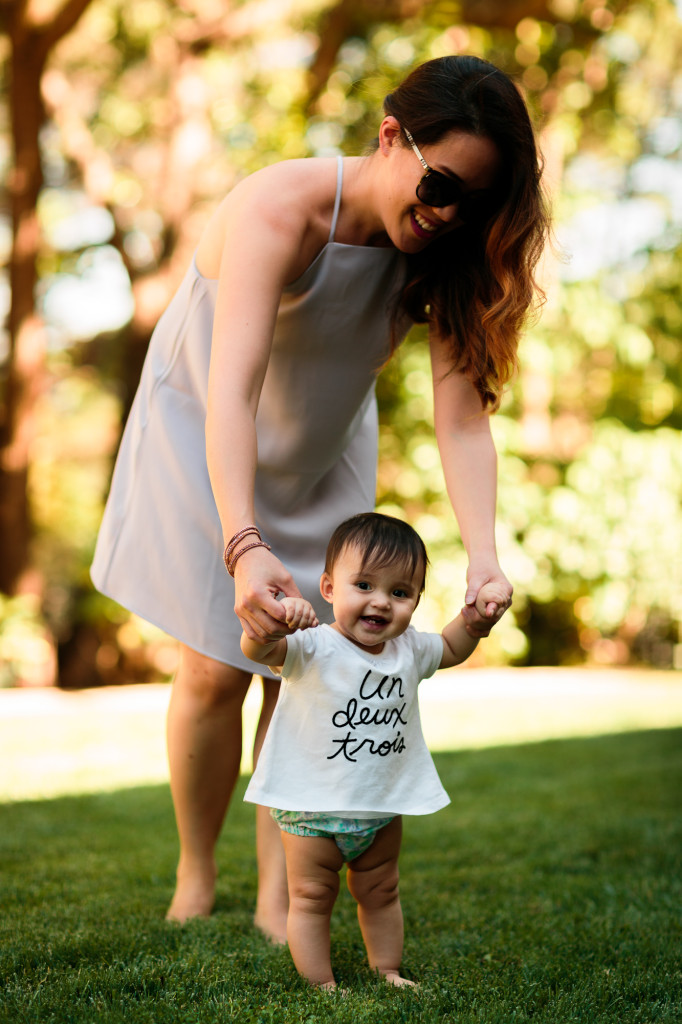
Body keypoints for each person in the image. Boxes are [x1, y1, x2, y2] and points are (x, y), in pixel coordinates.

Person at [90, 54, 548, 937]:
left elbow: (461, 422)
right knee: (220, 664)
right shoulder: (279, 206)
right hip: (209, 443)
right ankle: (194, 873)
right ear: (390, 137)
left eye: (473, 203)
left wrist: (485, 555)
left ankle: (276, 895)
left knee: (304, 679)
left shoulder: (442, 253)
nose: (446, 212)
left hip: (326, 454)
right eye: (440, 183)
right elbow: (234, 387)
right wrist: (242, 543)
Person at [241, 512, 507, 989]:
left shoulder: (408, 649)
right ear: (327, 587)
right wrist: (274, 626)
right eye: (363, 585)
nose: (381, 602)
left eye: (400, 592)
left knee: (382, 890)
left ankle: (388, 970)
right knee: (309, 896)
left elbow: (450, 646)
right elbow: (257, 653)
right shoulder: (311, 646)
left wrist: (474, 621)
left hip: (381, 806)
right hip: (311, 809)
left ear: (415, 601)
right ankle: (321, 982)